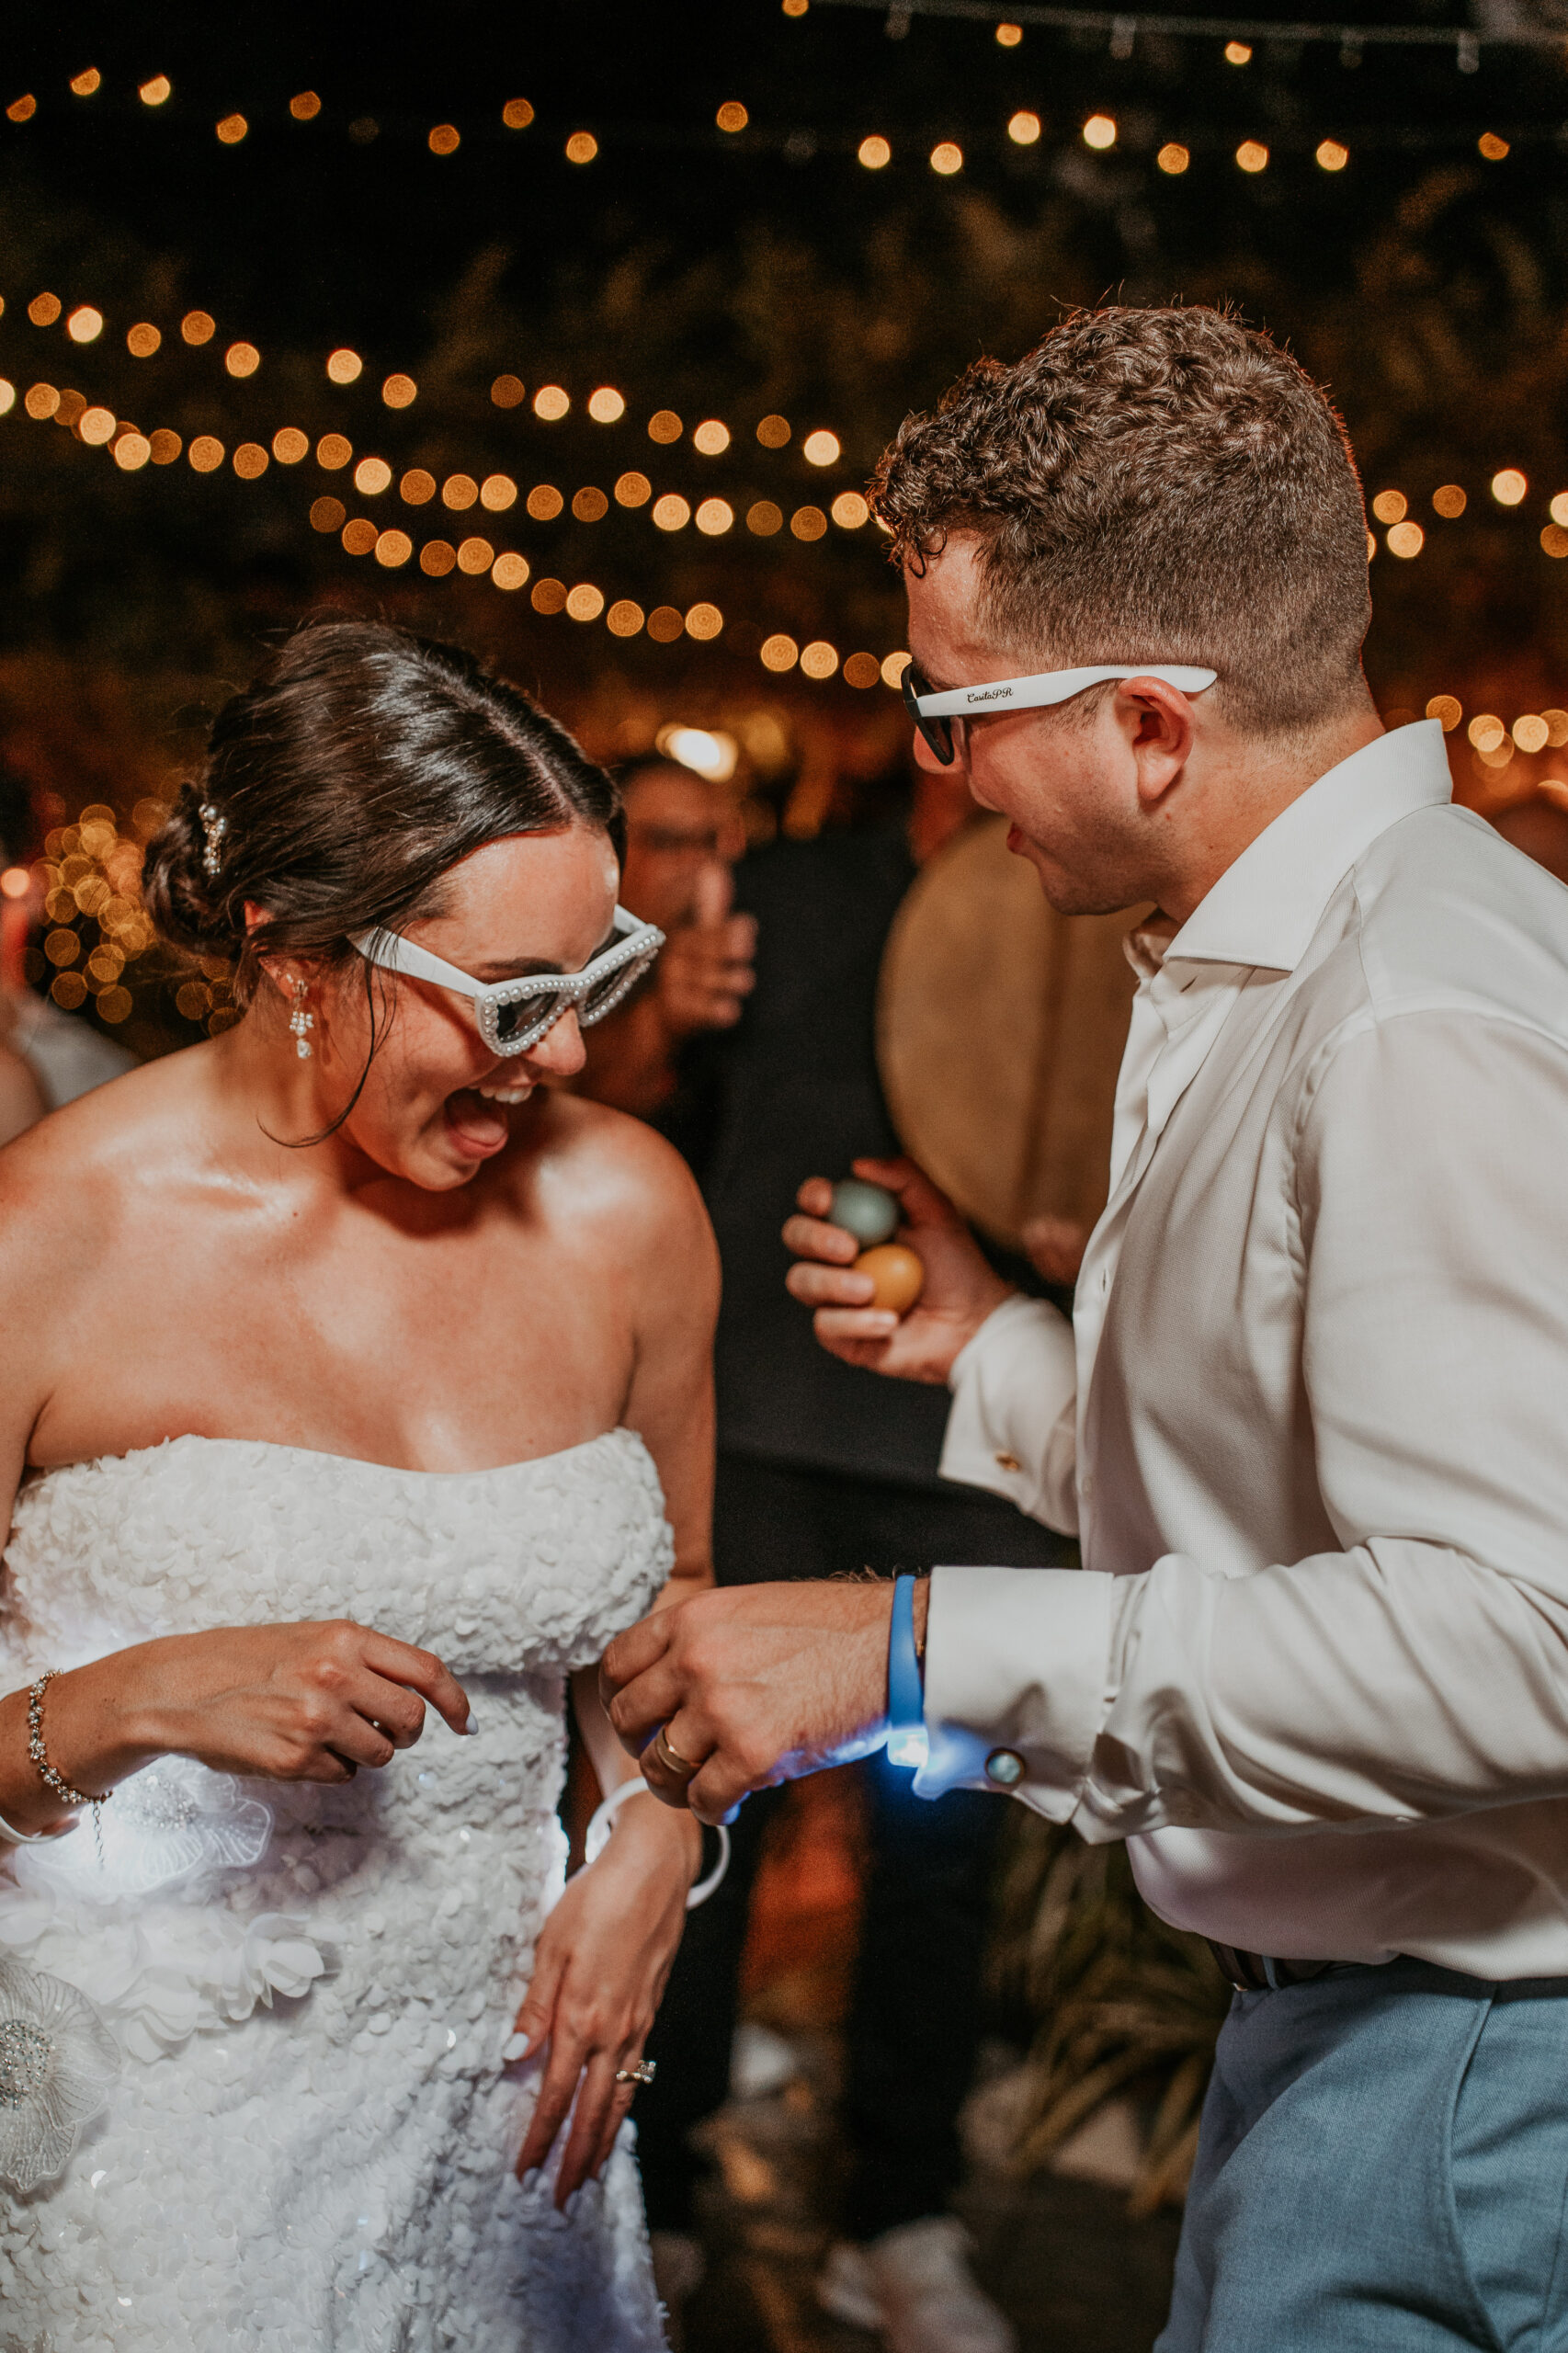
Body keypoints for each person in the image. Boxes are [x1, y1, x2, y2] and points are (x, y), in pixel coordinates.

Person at [602, 304, 1568, 2350]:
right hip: (1373, 2035)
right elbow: (1287, 1473)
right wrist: (996, 1355)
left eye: (961, 710)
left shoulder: (1413, 1013)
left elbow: (1529, 1632)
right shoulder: (1289, 955)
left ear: (1147, 719)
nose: (939, 771)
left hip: (1477, 2067)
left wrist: (906, 1640)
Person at [0, 619, 720, 2350]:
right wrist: (125, 1700)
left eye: (590, 984)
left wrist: (652, 1845)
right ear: (295, 950)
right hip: (150, 2140)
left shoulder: (626, 1214)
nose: (556, 1059)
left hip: (511, 2111)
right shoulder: (52, 1237)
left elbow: (677, 1627)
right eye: (507, 1004)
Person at [585, 748, 1071, 2351]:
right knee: (697, 1814)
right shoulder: (783, 898)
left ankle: (899, 2214)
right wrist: (664, 988)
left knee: (943, 1855)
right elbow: (639, 1106)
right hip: (760, 1430)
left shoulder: (1088, 904)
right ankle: (654, 2190)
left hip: (981, 1439)